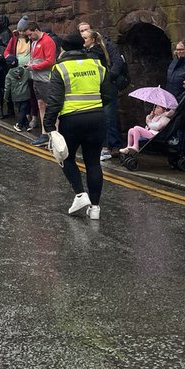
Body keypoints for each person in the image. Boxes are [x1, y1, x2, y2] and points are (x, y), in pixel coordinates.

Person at [44, 32, 107, 220]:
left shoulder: (60, 68)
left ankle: (80, 194)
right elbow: (109, 92)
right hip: (97, 117)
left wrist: (49, 125)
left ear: (64, 48)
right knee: (94, 162)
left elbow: (54, 100)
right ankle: (95, 208)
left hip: (72, 120)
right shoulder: (97, 64)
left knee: (65, 157)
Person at [77, 20, 128, 160]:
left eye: (86, 31)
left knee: (109, 116)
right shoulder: (84, 49)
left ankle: (113, 145)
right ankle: (103, 146)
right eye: (81, 31)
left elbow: (117, 62)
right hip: (93, 87)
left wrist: (108, 77)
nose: (83, 34)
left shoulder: (106, 45)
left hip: (107, 85)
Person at [26, 23, 57, 147]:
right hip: (36, 78)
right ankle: (45, 134)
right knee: (41, 104)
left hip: (45, 79)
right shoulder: (34, 42)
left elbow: (50, 61)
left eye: (30, 34)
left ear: (37, 30)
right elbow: (35, 58)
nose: (29, 37)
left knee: (51, 106)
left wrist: (34, 66)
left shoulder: (47, 41)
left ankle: (54, 135)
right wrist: (30, 63)